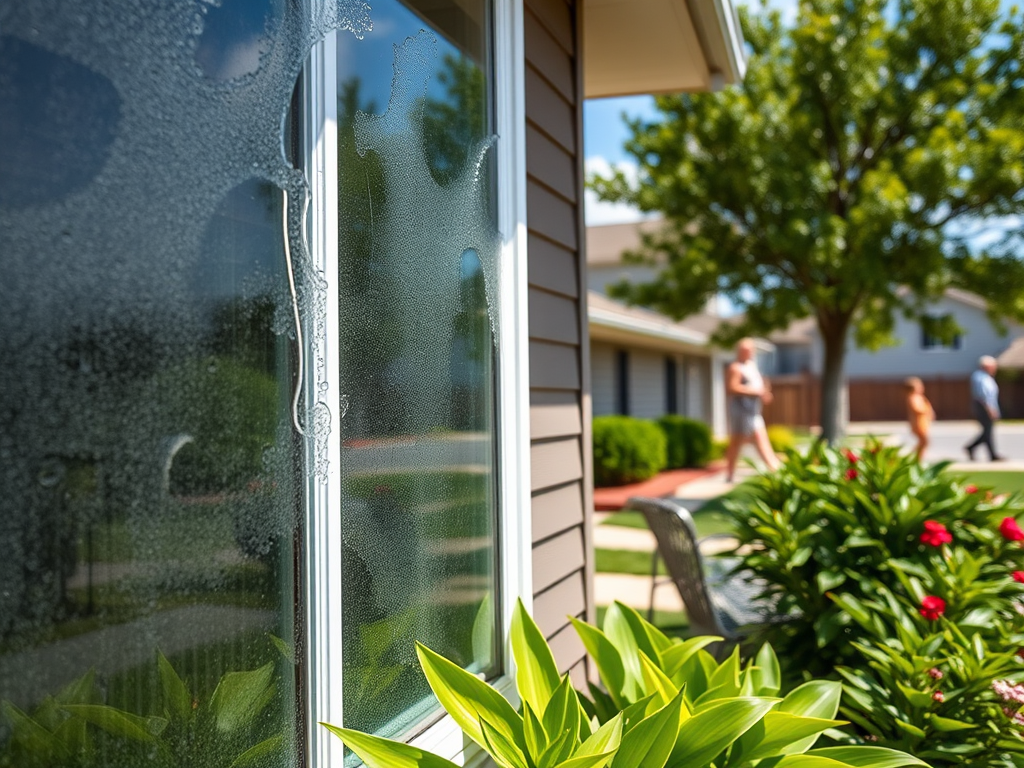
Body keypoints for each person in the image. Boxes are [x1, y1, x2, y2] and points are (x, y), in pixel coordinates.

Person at [725, 338, 781, 482]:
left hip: (753, 411)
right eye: (747, 351)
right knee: (747, 440)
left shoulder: (751, 366)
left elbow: (758, 386)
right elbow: (732, 387)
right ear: (740, 351)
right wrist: (756, 392)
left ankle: (774, 467)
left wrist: (764, 393)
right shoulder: (736, 367)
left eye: (751, 351)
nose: (750, 353)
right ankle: (775, 469)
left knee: (743, 441)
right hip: (741, 412)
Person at [965, 355, 1005, 461]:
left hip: (987, 406)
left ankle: (978, 450)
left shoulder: (987, 377)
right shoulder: (980, 377)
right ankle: (989, 453)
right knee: (987, 430)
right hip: (983, 406)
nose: (995, 369)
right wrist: (990, 409)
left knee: (988, 431)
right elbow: (983, 395)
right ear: (986, 366)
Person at [904, 377, 935, 462]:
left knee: (923, 442)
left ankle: (917, 457)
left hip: (923, 423)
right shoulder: (913, 397)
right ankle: (916, 457)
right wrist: (927, 410)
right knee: (924, 441)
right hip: (918, 424)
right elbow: (917, 409)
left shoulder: (920, 397)